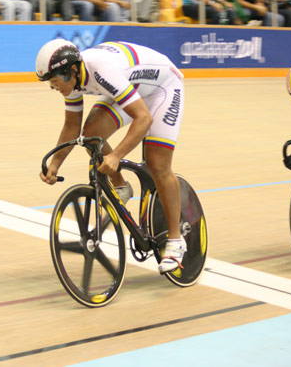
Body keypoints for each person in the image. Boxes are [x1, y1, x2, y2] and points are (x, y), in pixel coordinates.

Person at [36, 39, 187, 273]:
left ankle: (176, 241)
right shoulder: (74, 79)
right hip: (132, 87)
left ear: (72, 70)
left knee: (158, 164)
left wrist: (116, 155)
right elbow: (72, 125)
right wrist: (56, 163)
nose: (53, 87)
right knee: (92, 136)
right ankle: (121, 188)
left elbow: (144, 119)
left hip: (162, 89)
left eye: (55, 81)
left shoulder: (100, 70)